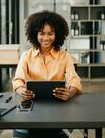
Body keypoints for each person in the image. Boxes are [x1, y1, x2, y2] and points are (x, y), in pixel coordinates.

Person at [12, 10, 82, 138]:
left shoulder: (64, 56)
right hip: (32, 106)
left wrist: (70, 92)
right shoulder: (26, 56)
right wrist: (22, 90)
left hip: (57, 106)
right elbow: (17, 80)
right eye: (41, 33)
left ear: (57, 34)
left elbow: (74, 80)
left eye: (50, 33)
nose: (45, 38)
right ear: (35, 34)